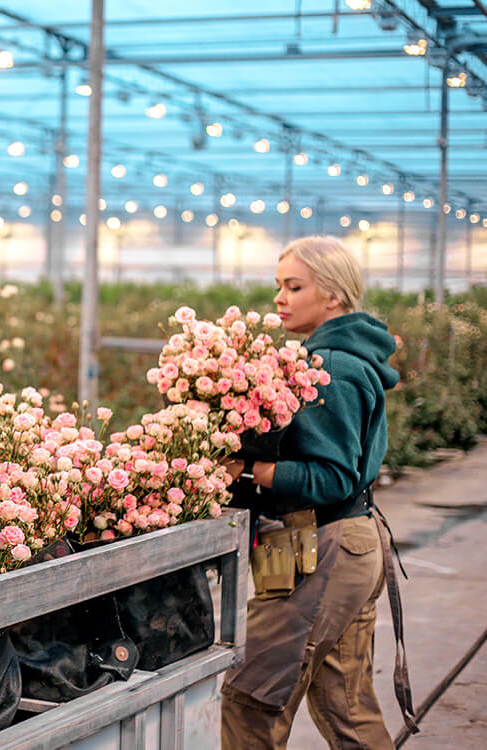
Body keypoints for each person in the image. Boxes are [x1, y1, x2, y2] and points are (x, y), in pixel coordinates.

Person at [219, 236, 415, 749]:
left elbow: (332, 478)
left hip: (317, 542)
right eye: (278, 286)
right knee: (345, 702)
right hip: (345, 539)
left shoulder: (330, 367)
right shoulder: (341, 357)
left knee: (251, 702)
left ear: (333, 296)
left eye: (294, 286)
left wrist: (251, 469)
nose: (280, 298)